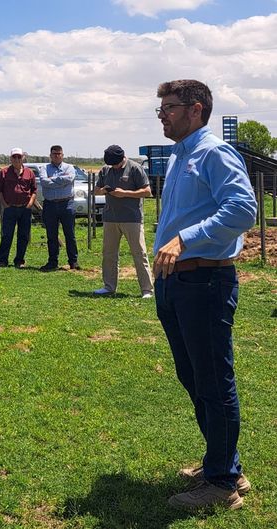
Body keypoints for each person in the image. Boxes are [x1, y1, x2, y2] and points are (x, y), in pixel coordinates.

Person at [152, 79, 257, 511]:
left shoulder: (213, 152)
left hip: (205, 282)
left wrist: (185, 239)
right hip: (178, 283)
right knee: (194, 376)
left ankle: (222, 484)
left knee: (213, 379)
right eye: (159, 108)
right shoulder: (181, 156)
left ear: (195, 109)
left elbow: (242, 209)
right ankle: (223, 461)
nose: (162, 114)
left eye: (169, 107)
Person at [93, 145, 154, 298]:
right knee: (109, 254)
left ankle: (147, 290)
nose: (113, 167)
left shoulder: (135, 168)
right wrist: (103, 190)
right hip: (110, 218)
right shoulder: (105, 170)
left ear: (122, 158)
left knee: (139, 254)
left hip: (132, 218)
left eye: (115, 164)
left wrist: (125, 193)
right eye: (111, 164)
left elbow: (147, 191)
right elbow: (96, 190)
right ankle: (109, 287)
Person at [38, 145, 80, 271]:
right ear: (50, 155)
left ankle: (73, 261)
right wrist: (62, 180)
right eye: (54, 154)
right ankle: (52, 262)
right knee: (51, 235)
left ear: (62, 155)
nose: (56, 155)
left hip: (66, 204)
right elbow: (44, 181)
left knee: (70, 234)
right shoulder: (44, 168)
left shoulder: (70, 167)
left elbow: (70, 178)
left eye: (59, 153)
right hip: (50, 204)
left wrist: (53, 180)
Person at [0, 147, 37, 268]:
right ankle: (3, 260)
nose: (17, 159)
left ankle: (19, 260)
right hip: (10, 208)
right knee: (7, 235)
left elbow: (34, 190)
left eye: (19, 157)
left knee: (23, 236)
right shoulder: (4, 172)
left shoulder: (30, 173)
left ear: (23, 158)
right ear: (11, 158)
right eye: (14, 157)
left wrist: (30, 204)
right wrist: (5, 205)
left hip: (25, 209)